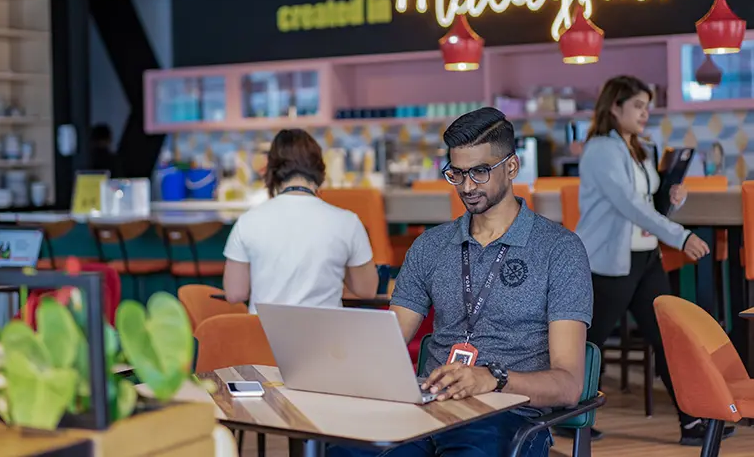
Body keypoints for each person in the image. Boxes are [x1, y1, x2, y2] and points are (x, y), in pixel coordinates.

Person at [376, 108, 592, 457]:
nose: (466, 186)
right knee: (345, 447)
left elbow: (568, 385)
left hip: (508, 416)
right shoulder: (430, 246)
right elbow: (384, 343)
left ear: (511, 166)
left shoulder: (559, 250)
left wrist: (493, 378)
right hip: (427, 409)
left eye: (479, 172)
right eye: (456, 174)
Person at [574, 75, 731, 446]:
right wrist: (682, 236)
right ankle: (569, 418)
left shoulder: (640, 148)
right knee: (589, 343)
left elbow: (646, 205)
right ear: (615, 107)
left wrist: (671, 198)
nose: (646, 113)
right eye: (638, 106)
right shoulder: (600, 150)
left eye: (647, 106)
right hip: (608, 262)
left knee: (669, 339)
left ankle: (692, 421)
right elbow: (629, 207)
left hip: (644, 259)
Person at [223, 129, 378, 313]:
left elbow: (235, 293)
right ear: (320, 170)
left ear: (270, 171)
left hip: (264, 338)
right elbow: (367, 290)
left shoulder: (247, 222)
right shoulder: (347, 222)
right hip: (325, 338)